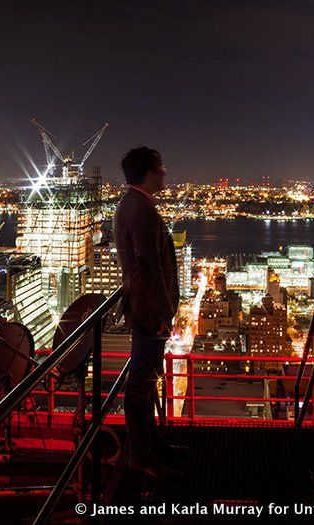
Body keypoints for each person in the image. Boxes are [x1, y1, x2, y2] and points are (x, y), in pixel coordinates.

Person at [113, 146, 188, 479]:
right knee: (141, 385)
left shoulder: (130, 205)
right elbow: (149, 267)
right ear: (149, 172)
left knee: (146, 382)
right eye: (161, 168)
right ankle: (143, 455)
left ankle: (153, 446)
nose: (165, 174)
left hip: (142, 307)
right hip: (147, 311)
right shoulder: (142, 210)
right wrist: (163, 313)